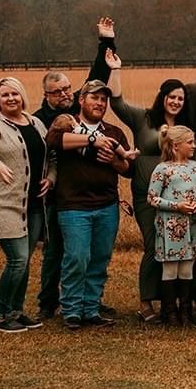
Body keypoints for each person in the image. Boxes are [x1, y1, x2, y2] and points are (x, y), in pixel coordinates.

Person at [33, 17, 118, 320]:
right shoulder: (39, 118)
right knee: (58, 251)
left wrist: (105, 41)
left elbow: (98, 76)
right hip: (56, 196)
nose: (65, 94)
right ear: (47, 95)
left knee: (91, 254)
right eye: (57, 91)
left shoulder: (77, 108)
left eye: (68, 88)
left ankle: (87, 303)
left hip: (90, 196)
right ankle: (48, 301)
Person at [106, 51, 192, 322]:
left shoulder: (185, 126)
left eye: (180, 98)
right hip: (148, 194)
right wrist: (116, 69)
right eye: (172, 96)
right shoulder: (143, 119)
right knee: (154, 243)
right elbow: (117, 103)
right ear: (162, 97)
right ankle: (146, 302)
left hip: (178, 195)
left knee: (179, 246)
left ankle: (175, 300)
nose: (176, 102)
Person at [47, 79, 134, 330]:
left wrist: (114, 162)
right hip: (74, 206)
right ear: (82, 100)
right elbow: (53, 141)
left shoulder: (114, 132)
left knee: (99, 259)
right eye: (94, 98)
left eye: (103, 99)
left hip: (107, 205)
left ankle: (91, 308)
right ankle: (72, 310)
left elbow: (128, 169)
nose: (100, 103)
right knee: (77, 257)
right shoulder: (67, 124)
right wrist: (93, 141)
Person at [0, 77, 54, 332]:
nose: (10, 99)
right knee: (17, 260)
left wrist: (51, 178)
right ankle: (1, 316)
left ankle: (17, 312)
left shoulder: (36, 123)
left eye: (15, 94)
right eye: (5, 95)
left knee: (25, 260)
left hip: (33, 205)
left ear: (22, 96)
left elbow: (52, 155)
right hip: (2, 203)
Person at [147, 125, 196, 324]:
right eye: (190, 142)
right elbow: (152, 198)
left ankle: (185, 312)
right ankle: (170, 311)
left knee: (187, 268)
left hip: (193, 225)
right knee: (170, 269)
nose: (194, 146)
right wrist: (177, 206)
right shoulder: (163, 169)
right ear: (176, 146)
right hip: (171, 227)